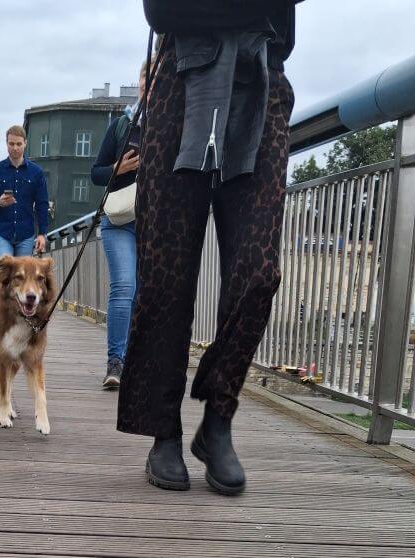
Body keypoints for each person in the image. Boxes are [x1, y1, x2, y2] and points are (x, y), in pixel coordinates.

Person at [118, 1, 298, 494]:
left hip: (263, 80)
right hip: (179, 84)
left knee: (259, 272)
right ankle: (164, 430)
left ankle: (219, 416)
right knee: (165, 274)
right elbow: (163, 11)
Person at [91, 62, 147, 389]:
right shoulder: (122, 124)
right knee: (124, 286)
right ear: (139, 83)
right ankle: (116, 361)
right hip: (120, 220)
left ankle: (138, 361)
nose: (150, 84)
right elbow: (96, 173)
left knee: (146, 294)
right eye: (145, 77)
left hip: (156, 223)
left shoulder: (176, 124)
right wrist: (118, 166)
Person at [0, 125, 49, 260]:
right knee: (2, 275)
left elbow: (42, 204)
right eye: (11, 144)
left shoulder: (37, 173)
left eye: (19, 144)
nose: (15, 148)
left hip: (26, 235)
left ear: (25, 143)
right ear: (6, 143)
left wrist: (42, 234)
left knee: (22, 279)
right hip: (3, 233)